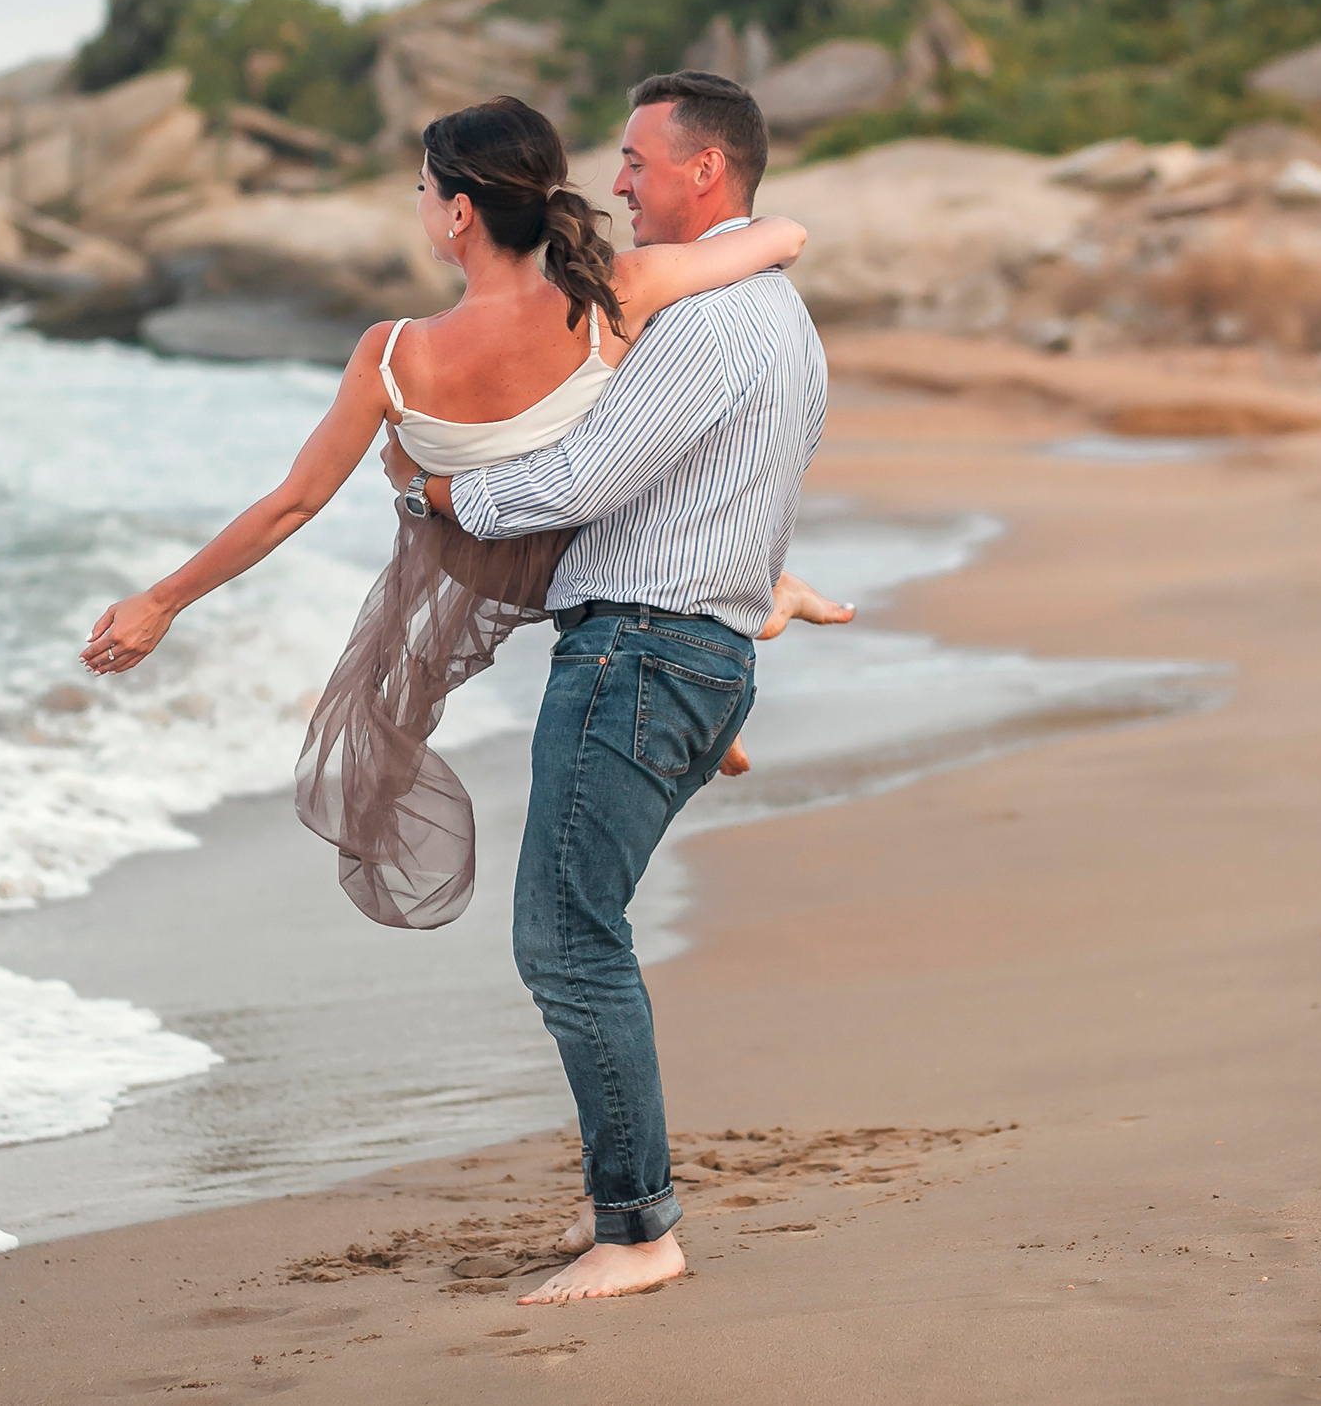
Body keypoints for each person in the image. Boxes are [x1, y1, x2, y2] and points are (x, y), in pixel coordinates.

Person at [79, 96, 849, 933]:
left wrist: (161, 601)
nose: (418, 206)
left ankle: (763, 603)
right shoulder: (614, 295)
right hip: (585, 554)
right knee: (629, 551)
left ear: (458, 211)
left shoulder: (393, 353)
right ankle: (762, 602)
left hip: (496, 556)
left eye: (422, 189)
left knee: (443, 665)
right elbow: (786, 237)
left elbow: (293, 502)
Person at [378, 70, 827, 1304]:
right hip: (689, 656)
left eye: (635, 160)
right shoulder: (778, 312)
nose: (613, 182)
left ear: (705, 173)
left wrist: (439, 495)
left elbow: (583, 477)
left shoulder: (713, 320)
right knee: (580, 930)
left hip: (643, 654)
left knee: (569, 940)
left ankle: (637, 1229)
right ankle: (619, 1211)